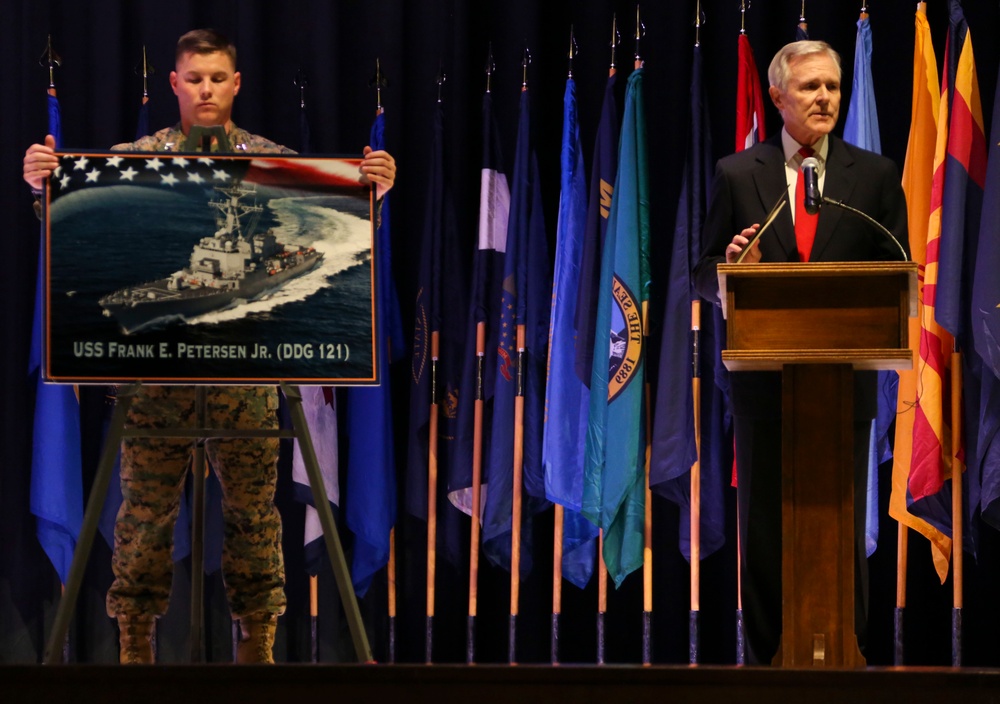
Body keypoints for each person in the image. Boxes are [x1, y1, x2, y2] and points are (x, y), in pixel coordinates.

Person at [22, 28, 396, 665]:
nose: (206, 90)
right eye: (194, 79)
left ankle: (259, 644)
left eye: (217, 78)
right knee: (142, 514)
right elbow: (85, 219)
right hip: (156, 381)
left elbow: (335, 231)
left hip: (245, 376)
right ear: (175, 83)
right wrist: (43, 188)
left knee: (254, 514)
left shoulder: (273, 162)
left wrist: (370, 194)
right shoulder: (137, 159)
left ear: (236, 82)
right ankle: (135, 643)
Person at [692, 40, 907, 665]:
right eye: (811, 87)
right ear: (778, 96)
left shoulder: (873, 176)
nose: (825, 98)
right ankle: (766, 661)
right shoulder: (738, 173)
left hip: (844, 385)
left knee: (841, 523)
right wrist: (734, 269)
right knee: (764, 527)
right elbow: (702, 274)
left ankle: (846, 653)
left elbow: (897, 269)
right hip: (764, 385)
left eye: (833, 87)